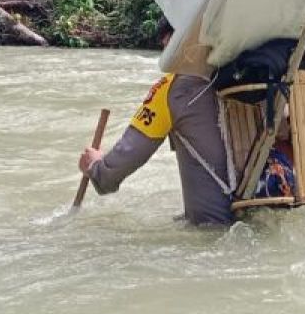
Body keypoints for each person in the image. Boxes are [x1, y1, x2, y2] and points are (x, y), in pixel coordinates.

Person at [77, 18, 234, 226]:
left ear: (174, 42)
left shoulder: (173, 90)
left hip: (212, 231)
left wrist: (95, 166)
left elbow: (121, 163)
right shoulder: (252, 79)